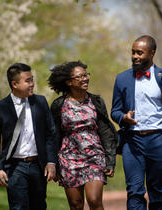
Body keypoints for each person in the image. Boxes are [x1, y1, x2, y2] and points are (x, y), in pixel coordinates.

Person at [111, 35, 162, 209]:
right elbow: (114, 111)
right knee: (134, 191)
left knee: (158, 193)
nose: (135, 56)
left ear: (152, 53)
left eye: (139, 52)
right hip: (132, 142)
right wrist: (123, 118)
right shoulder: (122, 79)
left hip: (159, 141)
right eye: (133, 52)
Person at [48, 61, 118, 210]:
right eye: (80, 77)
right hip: (69, 158)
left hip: (94, 155)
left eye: (86, 75)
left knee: (94, 200)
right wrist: (53, 163)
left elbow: (105, 131)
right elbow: (53, 135)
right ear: (69, 82)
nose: (85, 79)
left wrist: (110, 160)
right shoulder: (59, 105)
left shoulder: (96, 101)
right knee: (76, 205)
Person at [0, 63, 57, 210]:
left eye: (32, 79)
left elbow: (51, 134)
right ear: (15, 84)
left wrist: (51, 161)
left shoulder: (41, 102)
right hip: (14, 167)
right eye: (28, 81)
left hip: (38, 166)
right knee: (19, 207)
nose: (32, 84)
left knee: (39, 206)